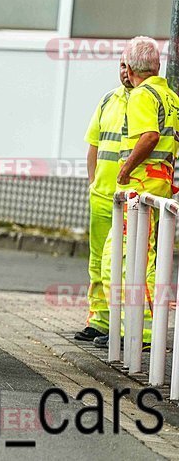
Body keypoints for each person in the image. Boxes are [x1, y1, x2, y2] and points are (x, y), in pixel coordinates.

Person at [95, 36, 179, 350]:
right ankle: (140, 333)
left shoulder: (142, 95)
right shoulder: (170, 96)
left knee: (114, 262)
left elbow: (150, 136)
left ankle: (134, 334)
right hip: (158, 187)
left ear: (129, 68)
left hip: (139, 189)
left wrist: (125, 169)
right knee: (147, 261)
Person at [74, 54, 133, 342]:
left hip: (133, 200)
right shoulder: (109, 99)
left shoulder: (148, 102)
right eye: (121, 65)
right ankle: (99, 320)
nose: (125, 72)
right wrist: (93, 184)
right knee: (97, 262)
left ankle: (124, 327)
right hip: (102, 196)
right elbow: (94, 147)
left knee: (123, 264)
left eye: (129, 66)